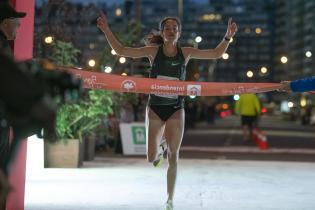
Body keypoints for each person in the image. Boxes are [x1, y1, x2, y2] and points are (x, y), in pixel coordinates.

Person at [97, 13, 237, 210]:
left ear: (179, 33)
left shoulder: (186, 52)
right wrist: (106, 30)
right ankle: (160, 149)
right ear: (162, 33)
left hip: (175, 109)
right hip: (155, 108)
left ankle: (169, 200)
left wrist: (227, 37)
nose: (171, 31)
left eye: (174, 28)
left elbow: (215, 54)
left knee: (175, 155)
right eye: (167, 28)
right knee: (151, 158)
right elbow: (120, 50)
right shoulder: (153, 52)